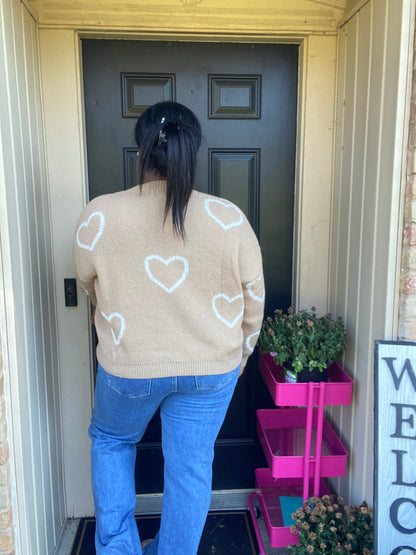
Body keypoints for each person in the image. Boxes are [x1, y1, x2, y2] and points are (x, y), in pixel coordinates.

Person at [73, 101, 265, 555]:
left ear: (142, 149)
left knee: (112, 442)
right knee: (190, 468)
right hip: (211, 368)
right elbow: (253, 297)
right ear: (192, 149)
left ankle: (118, 549)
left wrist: (123, 320)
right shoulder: (229, 218)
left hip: (129, 365)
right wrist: (241, 356)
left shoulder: (100, 213)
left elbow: (88, 282)